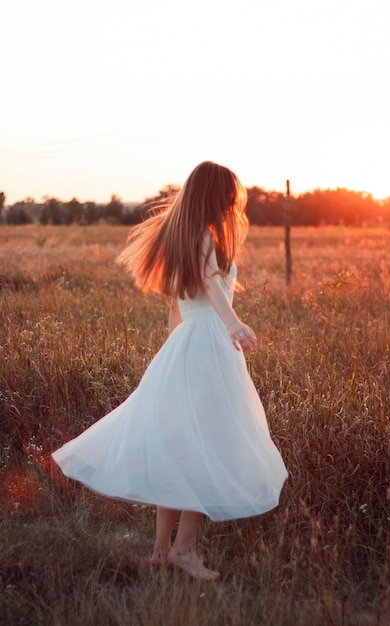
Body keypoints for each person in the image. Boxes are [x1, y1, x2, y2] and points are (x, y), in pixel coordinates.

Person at [52, 161, 288, 581]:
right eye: (229, 195)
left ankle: (161, 551)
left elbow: (177, 306)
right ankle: (183, 548)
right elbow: (211, 281)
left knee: (177, 444)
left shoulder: (183, 236)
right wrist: (232, 323)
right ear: (216, 196)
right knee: (209, 445)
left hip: (184, 347)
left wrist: (171, 350)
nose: (234, 203)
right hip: (209, 345)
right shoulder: (205, 238)